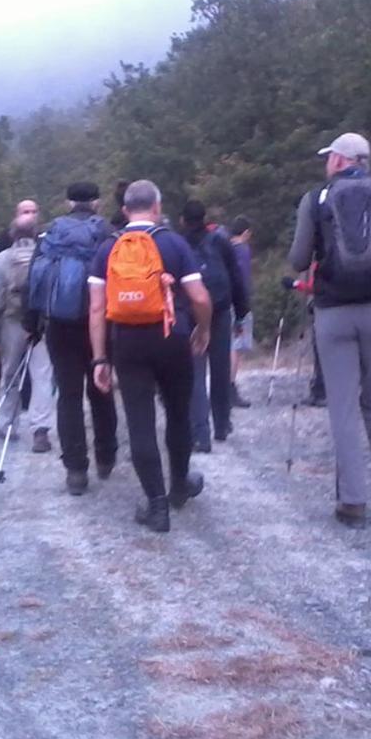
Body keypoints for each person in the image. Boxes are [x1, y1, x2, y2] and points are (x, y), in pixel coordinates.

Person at [288, 133, 371, 526]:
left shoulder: (316, 199)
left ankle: (353, 502)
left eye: (330, 156)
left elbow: (298, 259)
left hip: (333, 313)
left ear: (341, 160)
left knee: (342, 407)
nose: (327, 163)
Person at [89, 180, 211, 532]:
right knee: (177, 413)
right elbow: (201, 298)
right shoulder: (174, 243)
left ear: (126, 210)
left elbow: (97, 309)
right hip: (172, 336)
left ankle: (157, 507)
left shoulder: (107, 249)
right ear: (156, 207)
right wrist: (201, 331)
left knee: (140, 422)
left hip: (127, 342)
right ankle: (179, 486)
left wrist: (100, 358)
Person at [33, 182, 118, 492]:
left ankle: (76, 471)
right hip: (102, 322)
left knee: (68, 395)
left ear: (69, 202)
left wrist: (34, 324)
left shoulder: (51, 233)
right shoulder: (108, 232)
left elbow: (36, 278)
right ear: (96, 202)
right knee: (102, 389)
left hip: (60, 324)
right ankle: (106, 456)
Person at [181, 200, 249, 452]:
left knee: (195, 372)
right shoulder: (220, 241)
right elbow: (236, 277)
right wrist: (241, 312)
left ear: (182, 220)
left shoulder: (179, 243)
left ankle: (200, 432)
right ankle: (222, 424)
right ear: (205, 217)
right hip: (220, 311)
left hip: (190, 314)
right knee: (220, 368)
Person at [0, 215, 53, 452]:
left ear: (12, 235)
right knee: (42, 375)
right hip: (42, 323)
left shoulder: (2, 260)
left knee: (10, 374)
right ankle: (40, 429)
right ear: (36, 233)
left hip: (12, 322)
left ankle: (8, 425)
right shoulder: (47, 256)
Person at [227, 216, 254, 409]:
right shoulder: (243, 250)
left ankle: (223, 388)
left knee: (226, 347)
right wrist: (243, 308)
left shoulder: (224, 248)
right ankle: (230, 388)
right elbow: (242, 280)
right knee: (235, 347)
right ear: (245, 233)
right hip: (237, 304)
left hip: (222, 303)